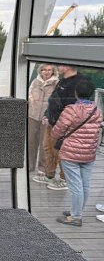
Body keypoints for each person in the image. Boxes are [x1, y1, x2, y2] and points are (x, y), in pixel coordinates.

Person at [53, 78, 102, 226]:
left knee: (75, 186)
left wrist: (55, 135)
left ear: (76, 93)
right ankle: (77, 210)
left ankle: (76, 217)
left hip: (70, 153)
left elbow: (58, 130)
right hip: (89, 153)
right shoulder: (97, 111)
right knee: (84, 185)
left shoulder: (71, 110)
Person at [33, 64, 90, 190]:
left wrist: (63, 124)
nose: (58, 66)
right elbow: (54, 99)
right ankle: (49, 175)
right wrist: (47, 114)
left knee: (61, 152)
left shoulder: (79, 82)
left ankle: (64, 180)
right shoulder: (63, 80)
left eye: (61, 64)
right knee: (48, 148)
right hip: (51, 121)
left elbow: (75, 107)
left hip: (64, 125)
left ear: (68, 66)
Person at [27, 64, 58, 172]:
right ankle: (30, 165)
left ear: (53, 71)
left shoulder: (56, 83)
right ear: (40, 71)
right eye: (44, 70)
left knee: (44, 143)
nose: (46, 72)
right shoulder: (35, 81)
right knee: (31, 141)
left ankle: (42, 167)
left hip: (47, 117)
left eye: (49, 70)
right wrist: (31, 100)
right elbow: (29, 94)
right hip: (32, 115)